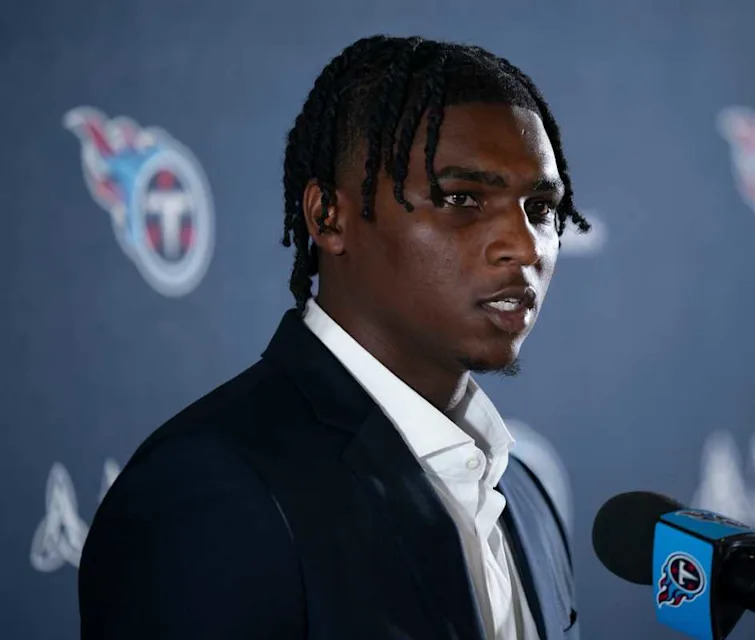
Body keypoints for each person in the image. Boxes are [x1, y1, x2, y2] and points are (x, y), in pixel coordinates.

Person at [78, 35, 590, 639]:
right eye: (462, 199)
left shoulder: (523, 496)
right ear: (328, 216)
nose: (526, 246)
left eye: (541, 208)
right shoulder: (211, 492)